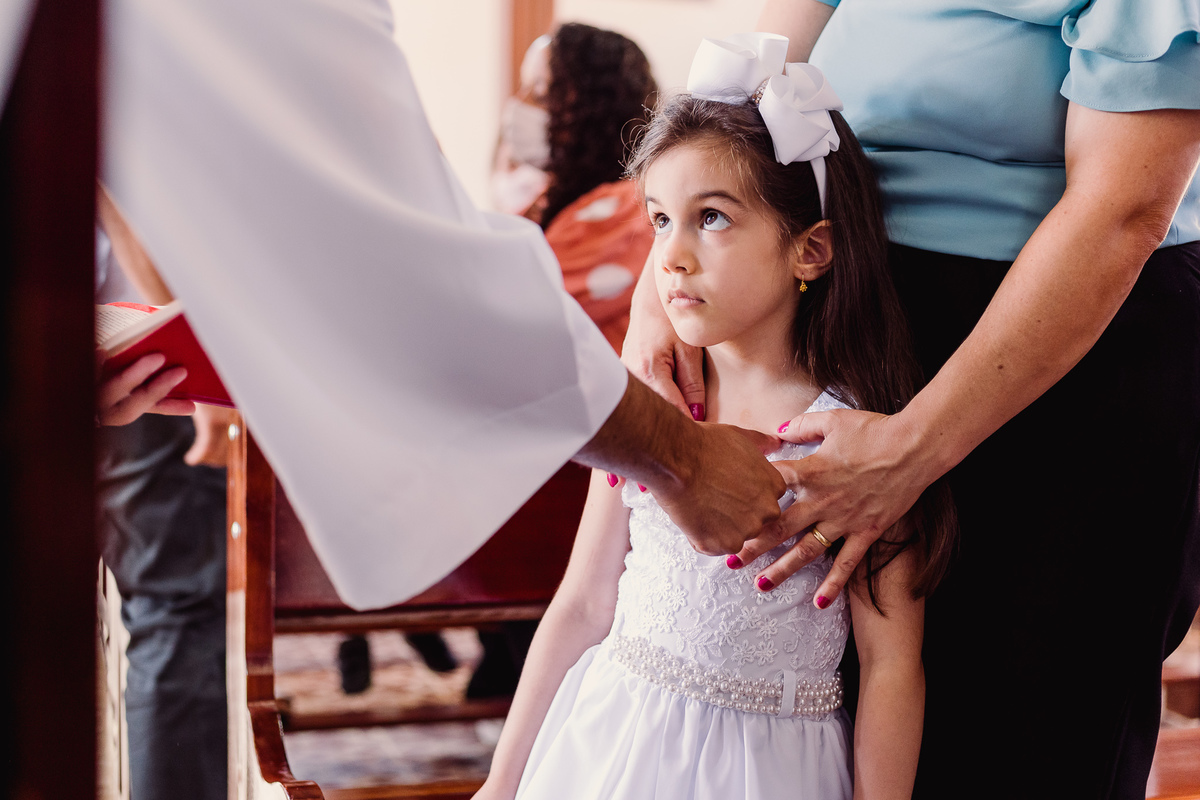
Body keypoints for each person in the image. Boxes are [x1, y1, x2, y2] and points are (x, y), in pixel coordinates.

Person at [622, 3, 1200, 797]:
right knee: (830, 718)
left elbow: (1123, 206)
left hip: (1063, 358)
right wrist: (665, 287)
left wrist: (912, 449)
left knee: (1028, 743)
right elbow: (750, 75)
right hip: (848, 308)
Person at [475, 34, 955, 800]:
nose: (670, 256)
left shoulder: (854, 443)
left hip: (768, 772)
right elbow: (583, 603)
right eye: (661, 220)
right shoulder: (655, 407)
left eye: (714, 219)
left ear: (811, 251)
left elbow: (893, 664)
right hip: (612, 744)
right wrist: (501, 785)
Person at [494, 24, 657, 353]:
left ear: (593, 107)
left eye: (540, 92)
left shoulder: (627, 210)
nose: (518, 104)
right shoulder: (554, 197)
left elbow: (504, 307)